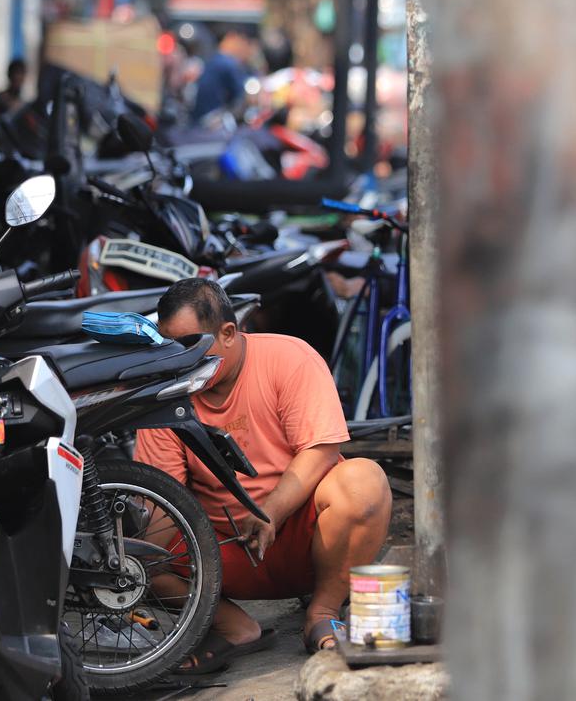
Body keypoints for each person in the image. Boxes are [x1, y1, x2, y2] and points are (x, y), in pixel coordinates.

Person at [135, 279, 391, 668]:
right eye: (171, 346)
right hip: (222, 553)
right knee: (138, 555)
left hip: (306, 543)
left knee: (364, 483)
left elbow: (321, 449)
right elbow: (163, 500)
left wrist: (271, 511)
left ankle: (323, 613)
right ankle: (234, 627)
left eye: (191, 345)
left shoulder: (290, 358)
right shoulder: (166, 393)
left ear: (228, 332)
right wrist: (137, 563)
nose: (180, 359)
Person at [190, 26, 256, 124]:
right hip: (211, 126)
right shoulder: (226, 63)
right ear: (232, 38)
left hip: (198, 123)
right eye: (246, 43)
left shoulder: (213, 59)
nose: (248, 50)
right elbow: (247, 97)